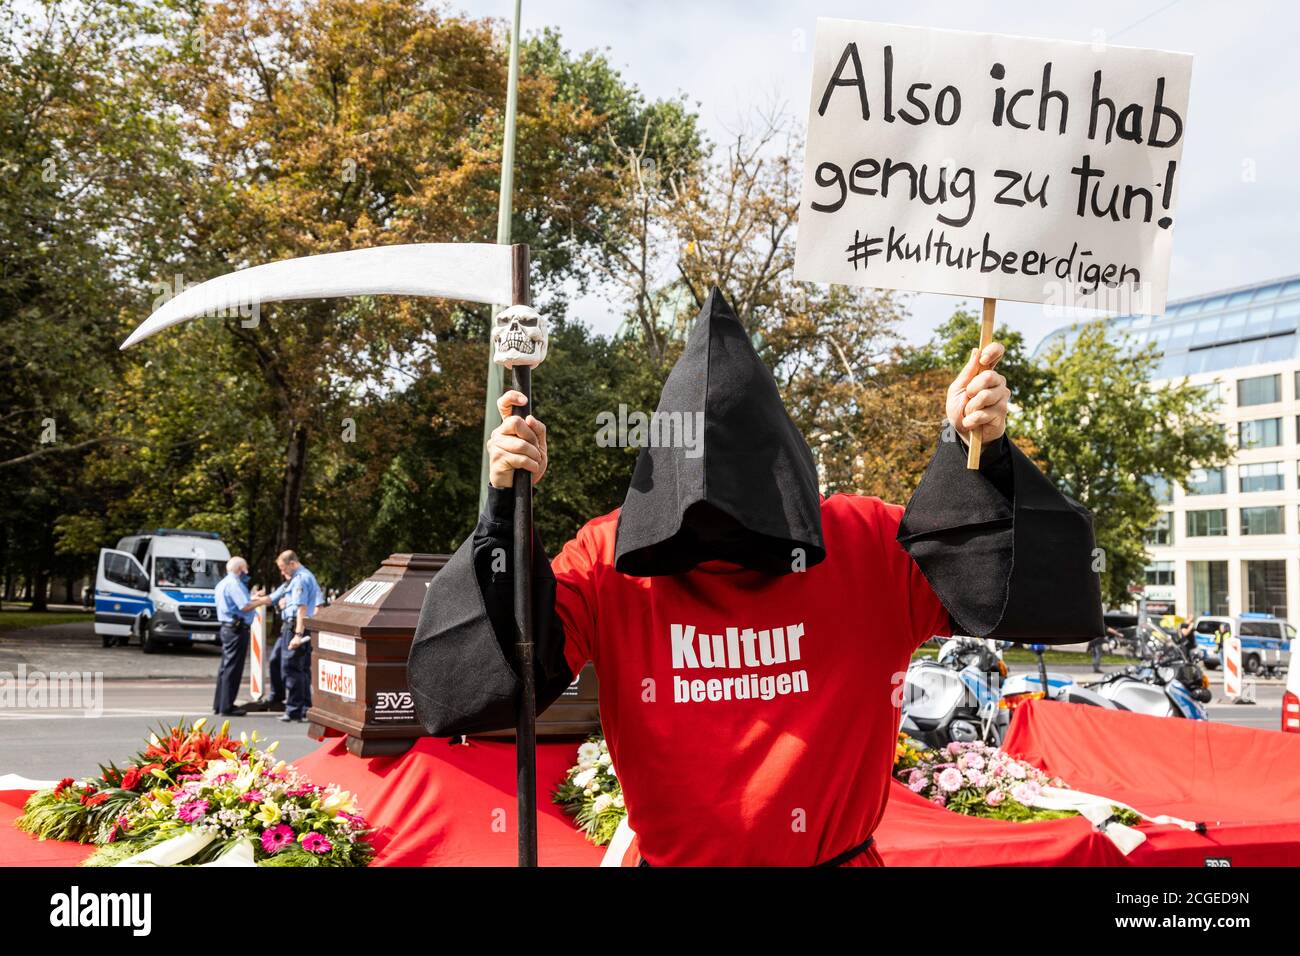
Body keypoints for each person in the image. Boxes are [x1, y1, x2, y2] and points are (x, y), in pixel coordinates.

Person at [408, 289, 1103, 866]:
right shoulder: (609, 557)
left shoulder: (864, 542)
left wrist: (973, 452)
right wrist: (506, 509)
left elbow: (1011, 590)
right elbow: (484, 680)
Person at [255, 550, 321, 723]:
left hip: (295, 628)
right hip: (289, 627)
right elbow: (272, 599)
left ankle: (294, 709)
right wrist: (251, 602)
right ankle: (302, 705)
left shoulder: (301, 579)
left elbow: (302, 609)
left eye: (283, 568)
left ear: (292, 564)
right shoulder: (294, 579)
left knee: (292, 668)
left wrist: (298, 635)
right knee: (280, 661)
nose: (281, 572)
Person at [212, 557, 264, 717]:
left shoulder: (223, 583)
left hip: (228, 628)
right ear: (240, 568)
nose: (247, 570)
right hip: (236, 629)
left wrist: (253, 598)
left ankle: (220, 704)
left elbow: (240, 602)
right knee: (233, 668)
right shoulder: (234, 584)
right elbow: (245, 606)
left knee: (225, 667)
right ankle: (227, 707)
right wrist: (263, 600)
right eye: (246, 567)